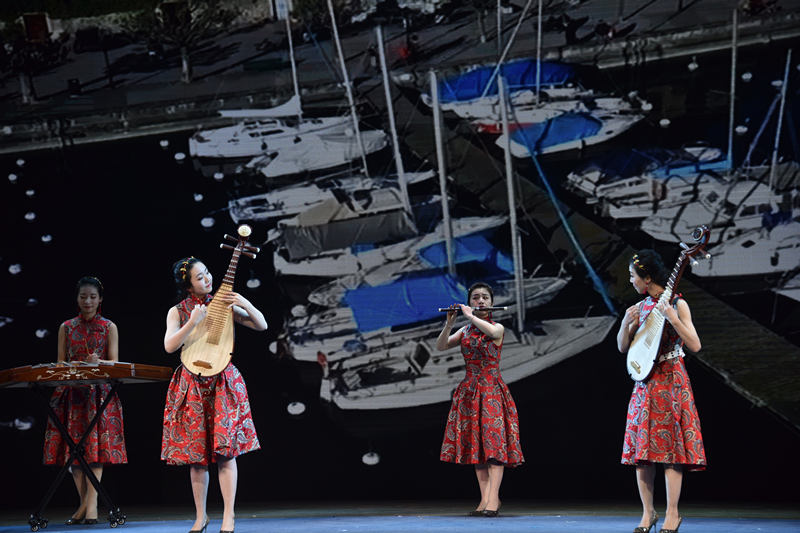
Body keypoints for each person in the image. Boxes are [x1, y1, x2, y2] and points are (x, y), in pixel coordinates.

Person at [161, 257, 267, 533]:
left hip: (222, 383)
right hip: (192, 385)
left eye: (207, 273)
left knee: (225, 452)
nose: (207, 279)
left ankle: (229, 516)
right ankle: (201, 516)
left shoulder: (223, 305)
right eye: (200, 277)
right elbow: (170, 346)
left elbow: (261, 325)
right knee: (196, 457)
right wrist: (192, 322)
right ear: (188, 286)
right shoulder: (177, 311)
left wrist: (245, 303)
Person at [616, 250, 706, 533]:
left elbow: (695, 345)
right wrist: (625, 324)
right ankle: (648, 513)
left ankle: (673, 514)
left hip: (671, 382)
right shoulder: (640, 307)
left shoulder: (678, 304)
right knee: (643, 452)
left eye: (633, 276)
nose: (631, 281)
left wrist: (673, 318)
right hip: (645, 384)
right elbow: (623, 347)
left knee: (671, 450)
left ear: (647, 278)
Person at [43, 276, 127, 526]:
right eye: (83, 297)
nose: (88, 301)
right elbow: (60, 362)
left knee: (94, 451)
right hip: (71, 395)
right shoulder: (66, 327)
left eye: (92, 297)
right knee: (75, 452)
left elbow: (115, 363)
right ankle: (85, 506)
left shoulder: (109, 326)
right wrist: (73, 365)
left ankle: (91, 508)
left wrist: (98, 363)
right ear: (77, 299)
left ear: (100, 299)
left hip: (98, 395)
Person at [436, 282, 523, 518]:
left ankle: (493, 499)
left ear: (492, 303)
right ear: (470, 302)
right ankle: (484, 499)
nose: (480, 301)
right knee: (477, 448)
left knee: (494, 446)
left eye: (485, 297)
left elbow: (492, 334)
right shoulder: (465, 331)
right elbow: (441, 346)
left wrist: (470, 316)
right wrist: (450, 324)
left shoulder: (497, 327)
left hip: (491, 390)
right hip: (469, 392)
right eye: (475, 298)